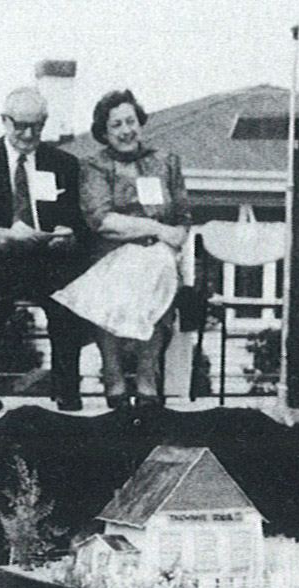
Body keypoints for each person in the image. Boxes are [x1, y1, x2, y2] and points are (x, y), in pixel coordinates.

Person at [0, 86, 91, 412]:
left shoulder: (63, 164)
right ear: (4, 121)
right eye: (20, 125)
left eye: (36, 126)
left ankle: (67, 388)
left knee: (71, 286)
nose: (28, 134)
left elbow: (80, 222)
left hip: (44, 257)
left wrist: (69, 233)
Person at [54, 89, 191, 410]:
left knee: (156, 268)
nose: (126, 130)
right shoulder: (95, 166)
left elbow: (183, 218)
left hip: (159, 256)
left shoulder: (165, 163)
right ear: (104, 131)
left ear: (140, 123)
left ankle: (145, 373)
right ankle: (115, 374)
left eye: (130, 121)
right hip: (110, 253)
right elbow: (101, 220)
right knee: (126, 276)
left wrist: (173, 236)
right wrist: (157, 229)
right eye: (116, 125)